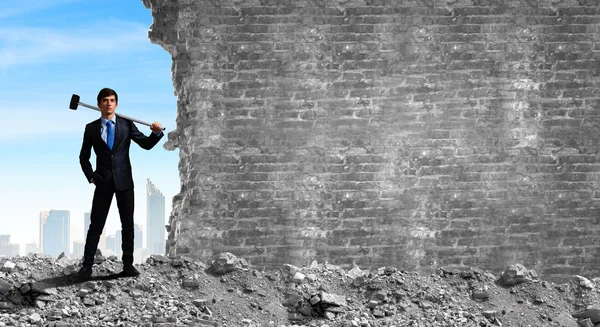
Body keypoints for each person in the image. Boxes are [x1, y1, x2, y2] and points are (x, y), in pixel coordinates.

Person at [77, 87, 164, 280]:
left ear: (116, 104)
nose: (109, 103)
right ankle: (86, 266)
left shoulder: (126, 124)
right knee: (95, 226)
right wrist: (91, 177)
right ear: (99, 104)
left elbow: (146, 144)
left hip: (124, 182)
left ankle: (128, 265)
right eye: (105, 100)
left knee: (128, 225)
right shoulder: (91, 128)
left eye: (112, 100)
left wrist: (156, 133)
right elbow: (83, 157)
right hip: (102, 183)